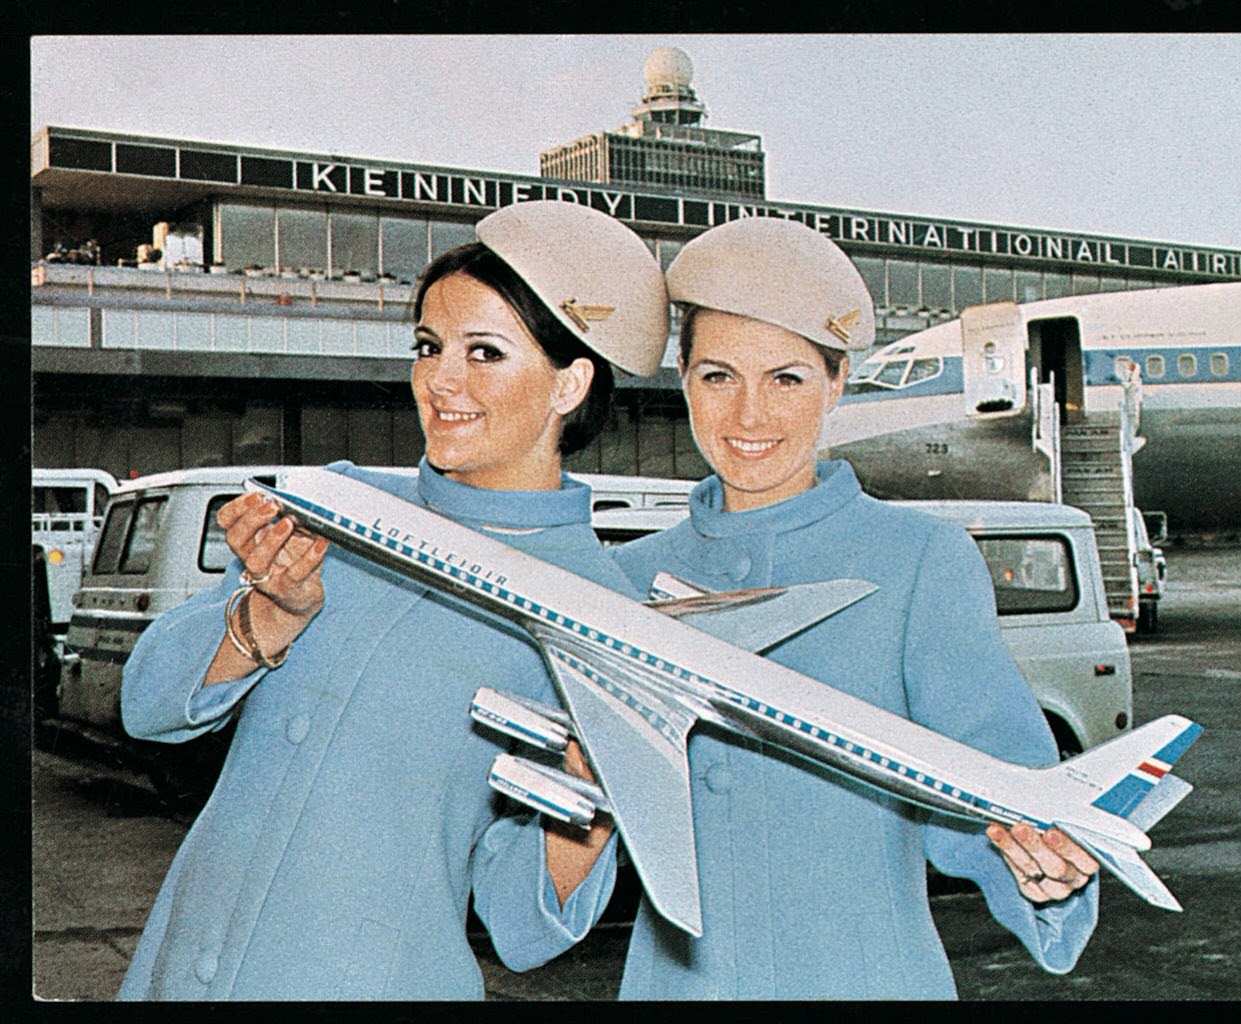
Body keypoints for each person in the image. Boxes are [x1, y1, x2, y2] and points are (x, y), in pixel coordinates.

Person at [116, 201, 668, 1000]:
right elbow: (147, 705)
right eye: (429, 347)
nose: (441, 380)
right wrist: (263, 619)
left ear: (570, 383)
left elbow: (518, 925)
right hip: (175, 974)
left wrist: (601, 797)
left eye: (484, 352)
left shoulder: (598, 616)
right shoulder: (341, 506)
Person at [607, 217, 1099, 1000]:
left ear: (838, 381)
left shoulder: (919, 564)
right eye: (718, 376)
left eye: (788, 378)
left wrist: (1043, 872)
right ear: (682, 378)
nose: (749, 417)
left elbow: (999, 790)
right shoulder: (620, 580)